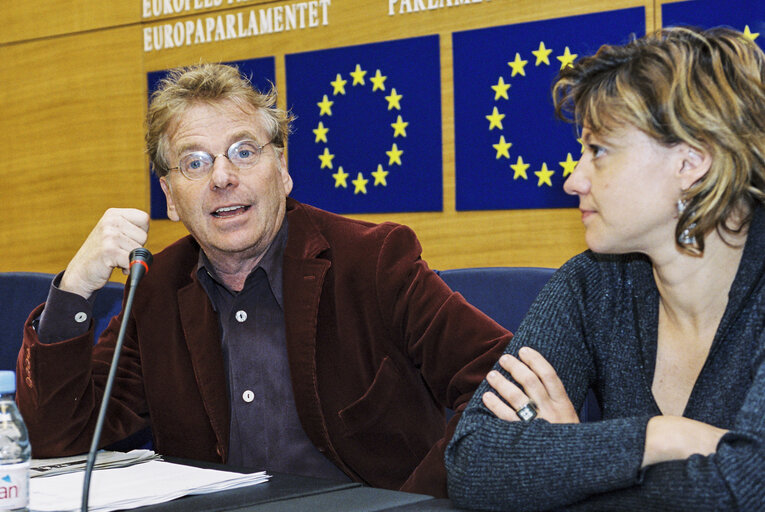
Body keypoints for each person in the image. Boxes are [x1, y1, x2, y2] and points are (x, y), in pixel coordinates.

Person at [16, 63, 511, 497]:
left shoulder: (373, 261)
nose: (223, 177)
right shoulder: (157, 289)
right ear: (169, 196)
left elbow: (505, 382)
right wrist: (74, 289)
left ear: (282, 168)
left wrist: (417, 504)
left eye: (244, 151)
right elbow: (59, 441)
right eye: (195, 162)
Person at [446, 26, 765, 510]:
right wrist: (660, 436)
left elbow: (739, 488)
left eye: (598, 151)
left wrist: (571, 462)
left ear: (691, 161)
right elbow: (472, 464)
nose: (573, 179)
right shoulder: (593, 281)